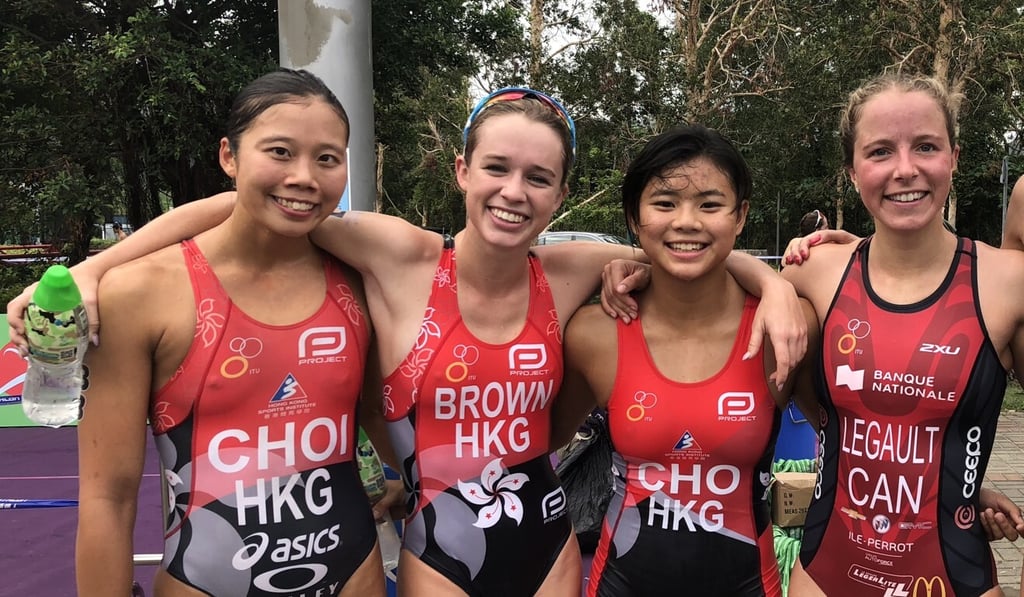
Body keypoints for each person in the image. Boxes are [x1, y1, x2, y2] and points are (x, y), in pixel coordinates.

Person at [7, 87, 808, 596]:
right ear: (461, 169)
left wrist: (772, 283)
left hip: (549, 545)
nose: (513, 193)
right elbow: (249, 205)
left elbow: (685, 240)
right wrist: (96, 266)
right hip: (434, 549)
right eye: (496, 167)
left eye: (538, 178)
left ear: (563, 192)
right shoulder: (397, 255)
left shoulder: (573, 269)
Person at [73, 69, 387, 597]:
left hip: (355, 576)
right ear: (229, 156)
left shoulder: (362, 278)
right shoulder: (139, 293)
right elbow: (108, 495)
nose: (305, 176)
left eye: (327, 158)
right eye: (280, 152)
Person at [775, 72, 1024, 597]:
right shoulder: (811, 273)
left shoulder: (1009, 284)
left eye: (926, 146)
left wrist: (960, 484)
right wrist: (630, 266)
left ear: (954, 157)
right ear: (852, 170)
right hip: (824, 576)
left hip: (954, 578)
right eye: (880, 151)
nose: (905, 169)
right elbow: (800, 403)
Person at [552, 124, 820, 596]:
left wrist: (949, 494)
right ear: (635, 219)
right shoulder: (595, 335)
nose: (687, 222)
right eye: (664, 203)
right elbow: (532, 443)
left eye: (710, 205)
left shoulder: (787, 328)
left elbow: (856, 439)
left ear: (741, 217)